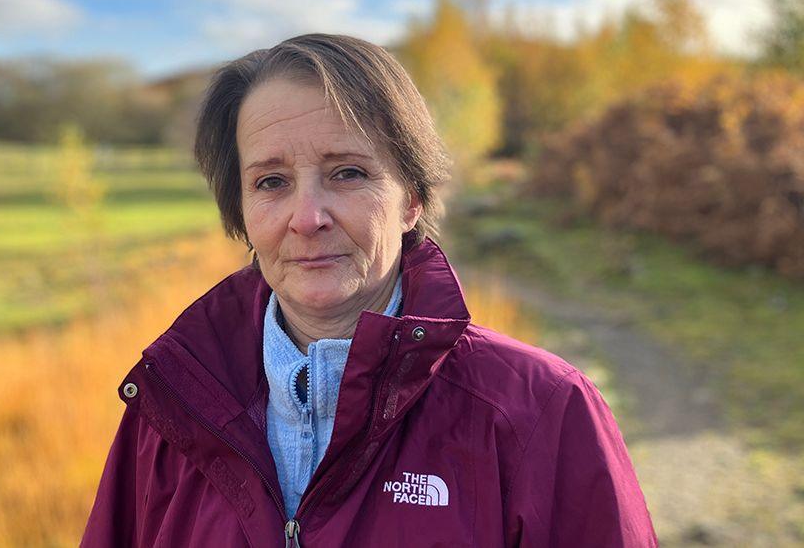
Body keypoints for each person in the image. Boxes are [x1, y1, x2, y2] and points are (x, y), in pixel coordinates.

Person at [80, 33, 657, 547]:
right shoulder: (172, 408)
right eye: (271, 181)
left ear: (412, 199)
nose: (307, 217)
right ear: (243, 210)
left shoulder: (542, 412)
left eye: (347, 173)